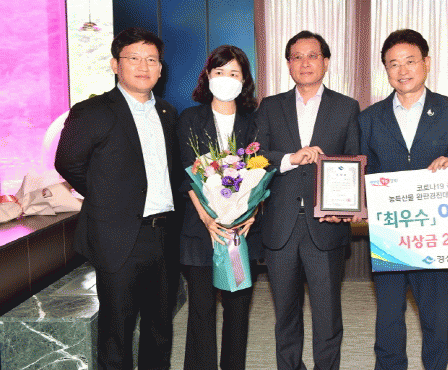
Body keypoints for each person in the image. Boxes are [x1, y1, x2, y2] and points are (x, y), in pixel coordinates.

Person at [359, 29, 448, 370]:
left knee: (435, 318)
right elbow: (360, 169)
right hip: (389, 234)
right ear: (386, 70)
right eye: (393, 64)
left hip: (435, 233)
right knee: (388, 319)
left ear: (426, 63)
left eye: (410, 61)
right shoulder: (368, 118)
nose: (402, 70)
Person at [55, 27, 179, 370]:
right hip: (118, 236)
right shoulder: (93, 111)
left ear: (160, 68)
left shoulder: (168, 113)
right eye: (134, 58)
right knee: (117, 332)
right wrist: (109, 199)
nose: (143, 66)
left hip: (164, 235)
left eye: (151, 59)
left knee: (160, 328)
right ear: (115, 64)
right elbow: (68, 163)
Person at [254, 31, 360, 370]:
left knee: (327, 314)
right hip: (280, 226)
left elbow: (355, 160)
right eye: (297, 57)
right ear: (288, 64)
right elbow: (255, 157)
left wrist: (347, 207)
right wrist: (291, 158)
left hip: (326, 225)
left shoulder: (346, 107)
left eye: (312, 56)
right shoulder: (270, 106)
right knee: (285, 314)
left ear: (325, 62)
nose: (305, 63)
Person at [176, 45, 259, 370]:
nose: (226, 78)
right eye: (220, 71)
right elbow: (186, 173)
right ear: (208, 76)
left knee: (238, 308)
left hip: (240, 232)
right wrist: (208, 219)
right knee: (201, 309)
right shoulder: (190, 119)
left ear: (244, 80)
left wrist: (251, 212)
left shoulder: (254, 123)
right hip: (200, 232)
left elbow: (260, 172)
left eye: (234, 73)